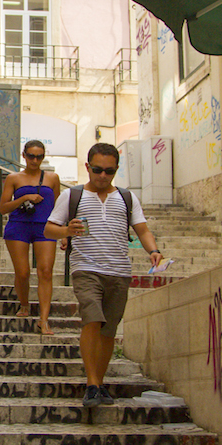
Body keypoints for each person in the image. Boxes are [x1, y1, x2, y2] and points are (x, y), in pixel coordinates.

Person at [44, 143, 163, 407]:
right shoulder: (72, 196)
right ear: (87, 167)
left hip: (119, 271)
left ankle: (99, 382)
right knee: (92, 320)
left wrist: (153, 250)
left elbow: (142, 230)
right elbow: (49, 229)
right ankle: (92, 383)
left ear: (116, 170)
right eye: (97, 169)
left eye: (109, 171)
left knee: (109, 330)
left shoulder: (126, 198)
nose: (102, 176)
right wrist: (66, 232)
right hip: (86, 269)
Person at [0, 140, 60, 335]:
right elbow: (3, 208)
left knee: (45, 271)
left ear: (43, 157)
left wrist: (64, 231)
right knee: (23, 272)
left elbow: (59, 207)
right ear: (23, 155)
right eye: (31, 156)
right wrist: (24, 198)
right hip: (19, 226)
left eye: (39, 156)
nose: (35, 160)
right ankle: (24, 304)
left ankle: (44, 319)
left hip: (45, 227)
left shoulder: (52, 178)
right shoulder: (14, 178)